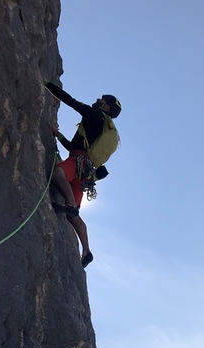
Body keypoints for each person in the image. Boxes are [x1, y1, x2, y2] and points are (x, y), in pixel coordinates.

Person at [44, 80, 121, 268]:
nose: (97, 99)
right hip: (85, 173)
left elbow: (68, 100)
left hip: (76, 163)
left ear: (106, 106)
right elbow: (73, 146)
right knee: (73, 217)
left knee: (58, 174)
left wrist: (46, 83)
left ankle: (71, 204)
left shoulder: (93, 113)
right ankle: (87, 252)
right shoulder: (102, 128)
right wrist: (58, 135)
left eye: (101, 99)